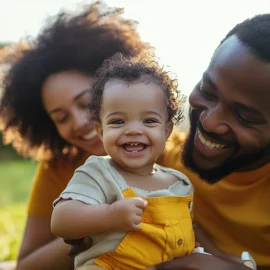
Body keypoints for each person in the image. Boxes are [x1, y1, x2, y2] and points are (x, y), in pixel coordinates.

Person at [67, 13, 270, 270]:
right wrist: (97, 224)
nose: (208, 122)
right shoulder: (147, 157)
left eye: (244, 116)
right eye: (208, 91)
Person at [0, 3, 151, 270]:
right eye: (61, 118)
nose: (80, 123)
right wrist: (97, 223)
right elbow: (26, 265)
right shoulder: (59, 168)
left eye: (86, 102)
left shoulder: (170, 157)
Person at [51, 53, 195, 270]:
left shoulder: (179, 183)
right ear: (101, 131)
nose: (134, 130)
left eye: (149, 120)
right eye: (118, 121)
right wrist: (110, 216)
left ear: (166, 131)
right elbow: (61, 221)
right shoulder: (98, 172)